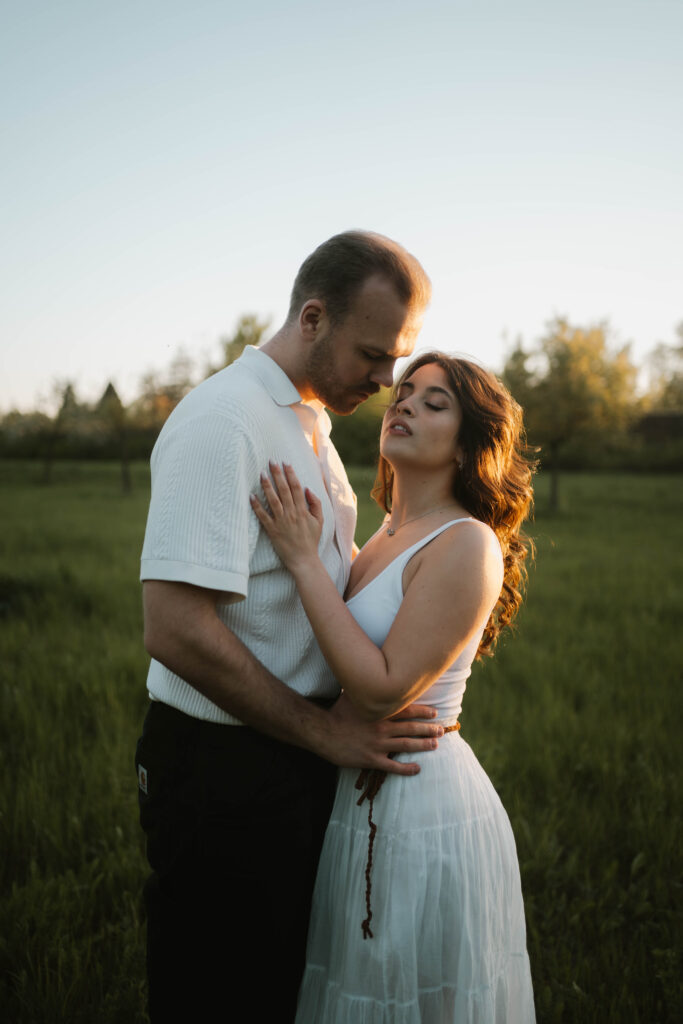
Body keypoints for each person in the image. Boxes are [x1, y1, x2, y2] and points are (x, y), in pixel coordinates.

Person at [134, 231, 440, 1022]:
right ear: (311, 318)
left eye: (396, 360)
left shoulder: (311, 426)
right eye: (373, 354)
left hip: (289, 759)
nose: (386, 380)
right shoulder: (225, 421)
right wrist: (321, 732)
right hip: (222, 767)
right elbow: (172, 628)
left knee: (275, 987)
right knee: (216, 991)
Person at [251, 351, 537, 1022]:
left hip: (423, 803)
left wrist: (302, 559)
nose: (403, 404)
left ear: (469, 448)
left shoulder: (466, 543)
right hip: (358, 787)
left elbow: (380, 689)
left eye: (433, 403)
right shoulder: (383, 533)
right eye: (404, 393)